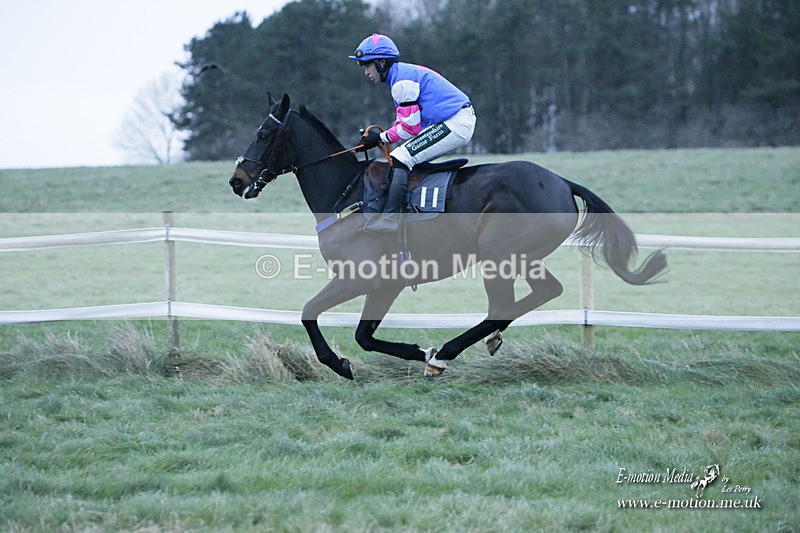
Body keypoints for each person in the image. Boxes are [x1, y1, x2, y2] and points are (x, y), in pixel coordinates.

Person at [349, 33, 476, 232]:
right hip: (454, 119)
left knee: (400, 157)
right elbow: (404, 123)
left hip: (456, 122)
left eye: (367, 65)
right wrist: (380, 138)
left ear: (381, 62)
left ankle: (389, 219)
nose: (365, 71)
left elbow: (409, 128)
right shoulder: (400, 76)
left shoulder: (401, 83)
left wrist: (380, 138)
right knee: (404, 153)